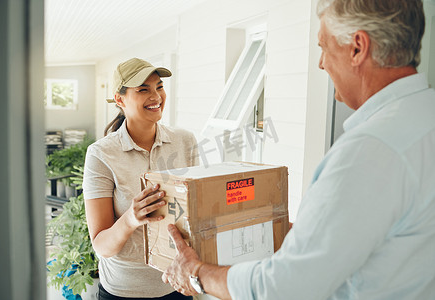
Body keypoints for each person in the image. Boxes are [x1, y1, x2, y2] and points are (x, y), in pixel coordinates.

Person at [161, 0, 435, 299]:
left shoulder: (369, 151)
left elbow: (285, 287)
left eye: (323, 47)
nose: (321, 63)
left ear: (357, 48)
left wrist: (197, 275)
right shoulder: (422, 119)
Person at [82, 58, 198, 299]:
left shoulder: (185, 141)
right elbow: (102, 245)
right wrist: (131, 218)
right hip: (124, 291)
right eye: (143, 89)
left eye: (159, 86)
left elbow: (196, 214)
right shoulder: (102, 154)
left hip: (177, 284)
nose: (156, 96)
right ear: (120, 99)